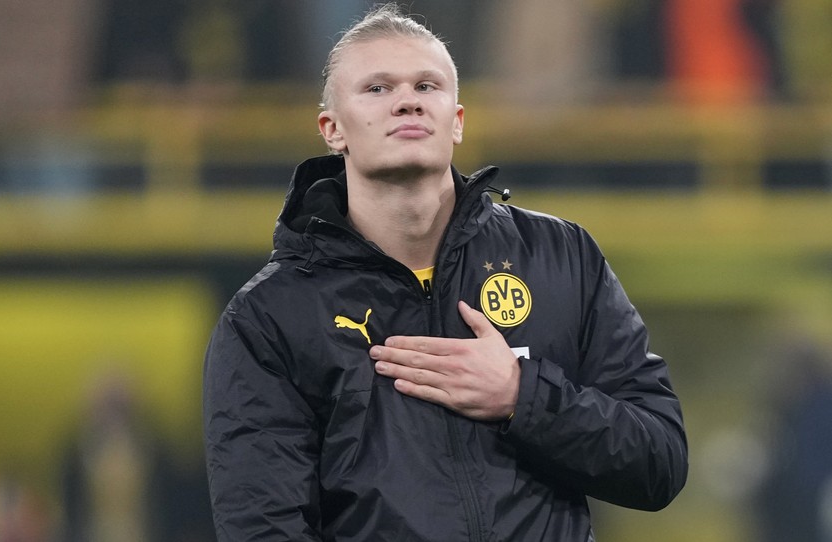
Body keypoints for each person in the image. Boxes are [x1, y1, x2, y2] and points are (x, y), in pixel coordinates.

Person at [203, 4, 688, 541]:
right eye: (377, 89)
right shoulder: (271, 317)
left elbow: (659, 460)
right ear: (332, 129)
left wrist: (519, 396)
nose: (407, 100)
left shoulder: (560, 255)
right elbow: (263, 529)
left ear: (456, 121)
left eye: (427, 85)